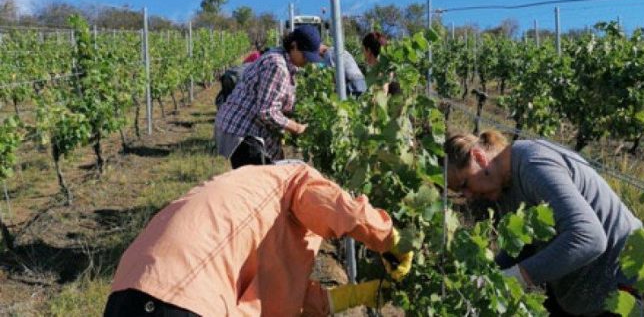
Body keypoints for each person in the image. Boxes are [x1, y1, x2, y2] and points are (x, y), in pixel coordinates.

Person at [103, 163, 414, 316]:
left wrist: (357, 296)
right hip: (182, 301)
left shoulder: (242, 199)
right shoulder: (294, 179)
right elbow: (339, 208)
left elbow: (279, 299)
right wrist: (390, 240)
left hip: (124, 297)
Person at [444, 130, 643, 316]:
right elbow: (526, 243)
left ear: (479, 158)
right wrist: (489, 276)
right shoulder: (502, 187)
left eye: (464, 185)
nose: (468, 196)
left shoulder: (533, 164)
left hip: (620, 284)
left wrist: (516, 276)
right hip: (576, 290)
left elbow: (590, 237)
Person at [215, 25, 320, 168]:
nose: (307, 61)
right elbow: (267, 112)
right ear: (294, 46)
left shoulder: (281, 57)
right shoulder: (278, 66)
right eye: (305, 55)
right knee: (256, 185)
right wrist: (296, 128)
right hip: (244, 132)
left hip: (250, 129)